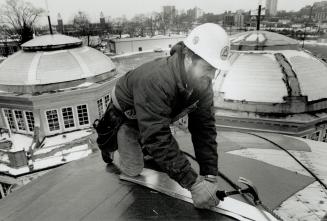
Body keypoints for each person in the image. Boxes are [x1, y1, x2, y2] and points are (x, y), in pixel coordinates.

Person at [107, 23, 230, 209]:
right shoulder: (157, 80)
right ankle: (120, 141)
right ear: (189, 58)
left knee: (159, 149)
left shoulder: (202, 83)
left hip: (154, 113)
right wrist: (194, 184)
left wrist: (209, 175)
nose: (211, 76)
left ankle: (144, 140)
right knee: (133, 170)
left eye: (215, 70)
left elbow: (204, 128)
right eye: (207, 68)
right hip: (125, 115)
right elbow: (157, 136)